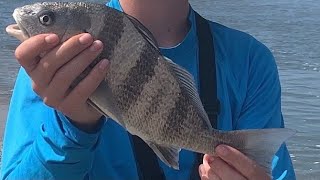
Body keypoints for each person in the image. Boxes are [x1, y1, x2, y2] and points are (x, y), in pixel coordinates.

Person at [1, 0, 295, 179]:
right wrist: (73, 126)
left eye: (45, 20)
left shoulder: (250, 60)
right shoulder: (52, 67)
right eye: (46, 19)